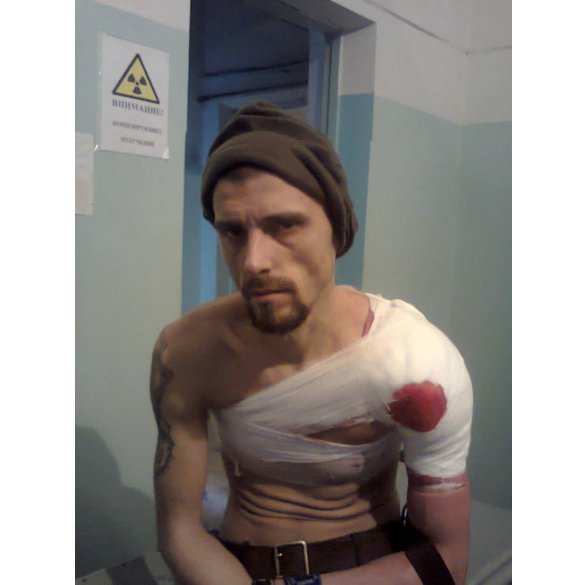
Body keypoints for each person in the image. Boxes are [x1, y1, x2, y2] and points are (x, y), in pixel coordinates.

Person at [149, 102, 473, 585]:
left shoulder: (412, 364)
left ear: (336, 229)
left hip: (364, 569)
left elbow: (445, 558)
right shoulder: (186, 353)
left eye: (284, 226)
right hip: (234, 567)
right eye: (232, 232)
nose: (254, 262)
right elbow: (179, 531)